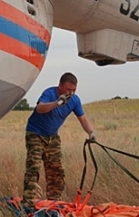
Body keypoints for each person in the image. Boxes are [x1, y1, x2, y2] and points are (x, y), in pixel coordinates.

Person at [22, 72, 95, 209]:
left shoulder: (75, 100)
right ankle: (28, 204)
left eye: (74, 90)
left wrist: (91, 133)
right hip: (35, 134)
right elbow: (39, 108)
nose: (71, 93)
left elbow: (83, 119)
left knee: (56, 170)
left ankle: (53, 203)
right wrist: (57, 103)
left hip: (52, 137)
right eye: (68, 89)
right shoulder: (49, 93)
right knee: (34, 166)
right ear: (60, 86)